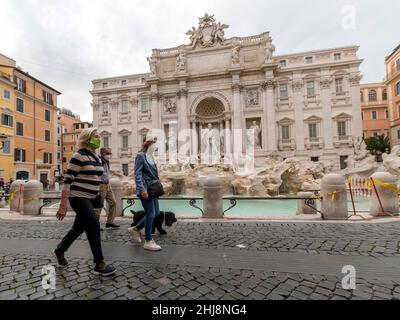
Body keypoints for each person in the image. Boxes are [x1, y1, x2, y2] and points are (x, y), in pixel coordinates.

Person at [54, 128, 116, 276]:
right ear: (87, 139)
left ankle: (60, 250)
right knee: (93, 224)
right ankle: (99, 263)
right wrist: (63, 205)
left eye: (99, 137)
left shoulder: (96, 158)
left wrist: (98, 198)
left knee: (78, 228)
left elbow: (96, 179)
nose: (99, 139)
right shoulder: (78, 156)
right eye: (96, 136)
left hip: (92, 197)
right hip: (78, 197)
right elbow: (67, 182)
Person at [128, 138, 162, 251]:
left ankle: (136, 229)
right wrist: (142, 189)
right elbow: (137, 174)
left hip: (153, 189)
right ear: (149, 146)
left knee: (156, 213)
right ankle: (148, 241)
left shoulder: (151, 157)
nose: (156, 148)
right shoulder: (140, 156)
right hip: (146, 189)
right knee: (150, 213)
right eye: (154, 145)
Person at [95, 147, 119, 230]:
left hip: (107, 185)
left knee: (113, 203)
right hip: (101, 185)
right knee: (98, 206)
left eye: (110, 153)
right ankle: (95, 225)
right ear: (102, 153)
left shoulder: (106, 161)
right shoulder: (99, 161)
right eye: (108, 153)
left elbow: (106, 173)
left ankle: (110, 222)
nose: (109, 155)